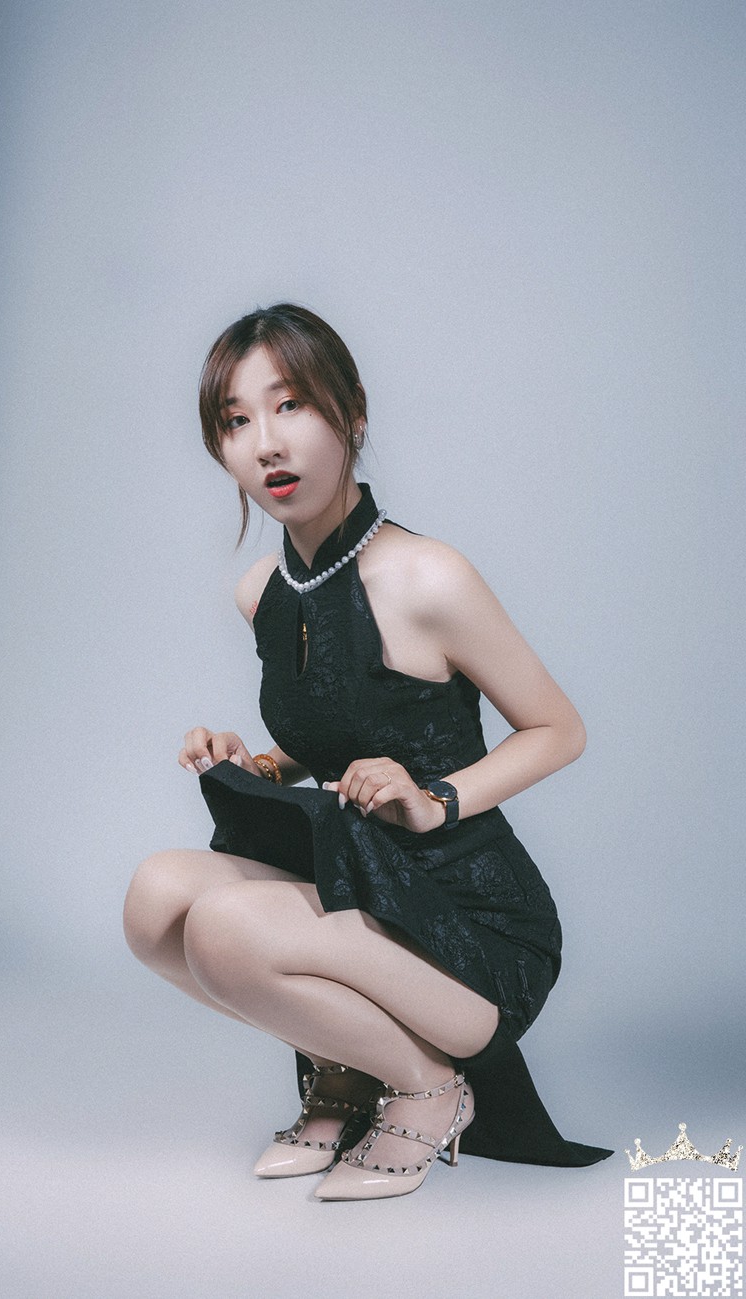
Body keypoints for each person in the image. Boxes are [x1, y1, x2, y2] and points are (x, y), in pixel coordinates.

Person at [123, 303, 612, 1201]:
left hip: (471, 925)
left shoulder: (429, 575)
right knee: (155, 899)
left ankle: (428, 1088)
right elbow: (343, 731)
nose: (267, 443)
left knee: (223, 928)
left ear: (351, 412)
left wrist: (436, 797)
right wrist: (261, 762)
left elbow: (560, 729)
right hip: (364, 886)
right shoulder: (263, 591)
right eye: (237, 420)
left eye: (291, 405)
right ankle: (352, 1070)